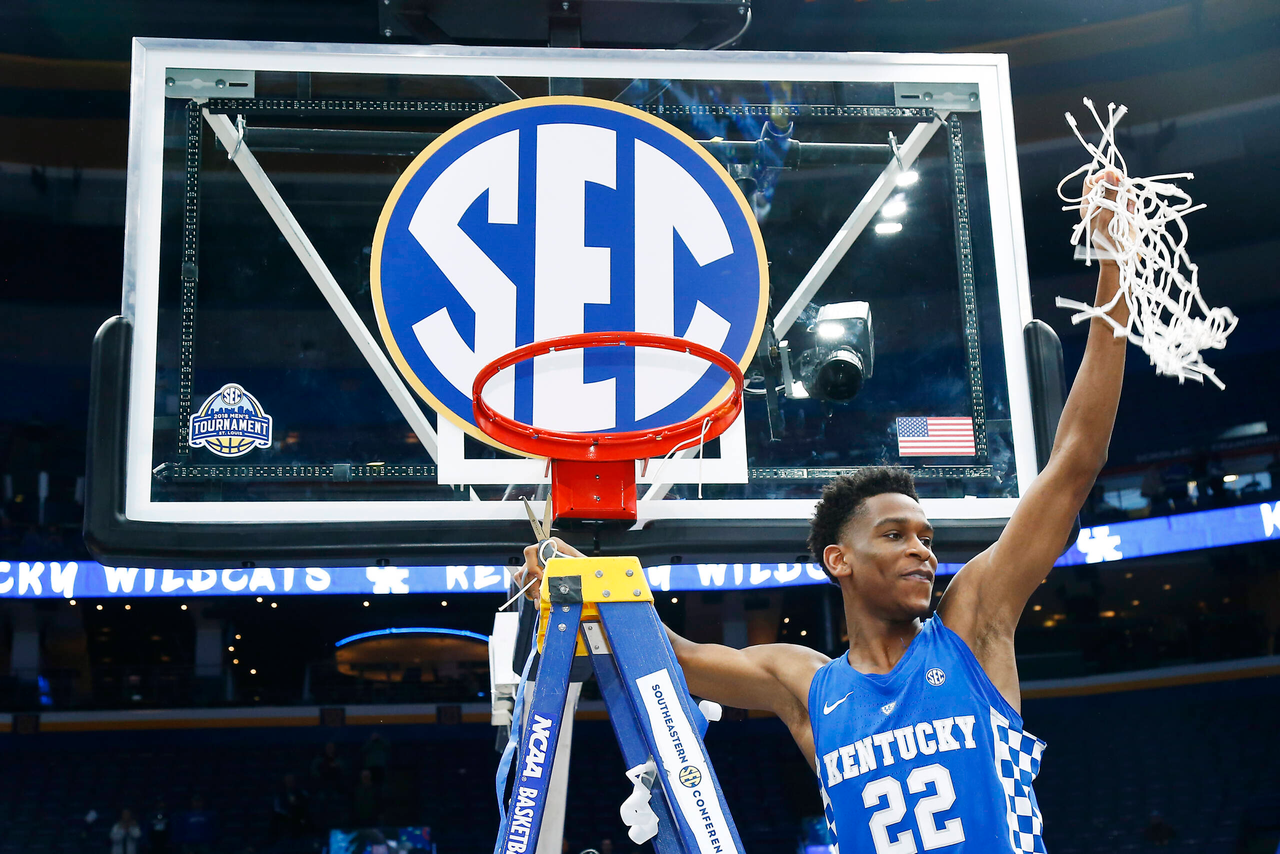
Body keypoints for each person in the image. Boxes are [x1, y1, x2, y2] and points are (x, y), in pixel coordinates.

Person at [519, 171, 1131, 853]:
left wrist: (1114, 269)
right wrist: (585, 579)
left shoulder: (973, 625)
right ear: (838, 559)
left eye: (926, 537)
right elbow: (673, 654)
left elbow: (1075, 461)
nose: (922, 550)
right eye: (895, 535)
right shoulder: (806, 684)